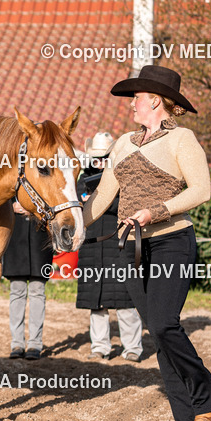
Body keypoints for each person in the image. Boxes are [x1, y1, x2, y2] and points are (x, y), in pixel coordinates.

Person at [82, 65, 211, 421]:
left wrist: (155, 211)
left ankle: (209, 403)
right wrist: (68, 223)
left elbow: (202, 190)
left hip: (171, 242)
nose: (131, 104)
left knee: (164, 324)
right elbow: (102, 197)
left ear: (156, 101)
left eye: (137, 97)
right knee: (158, 334)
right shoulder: (124, 145)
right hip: (130, 247)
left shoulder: (182, 139)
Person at [76, 132, 143, 361]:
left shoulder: (126, 178)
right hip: (92, 248)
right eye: (97, 157)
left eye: (104, 157)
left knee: (125, 301)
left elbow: (130, 206)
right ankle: (100, 347)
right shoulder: (82, 180)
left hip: (119, 244)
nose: (100, 161)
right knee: (97, 303)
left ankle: (133, 347)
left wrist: (101, 201)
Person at [3, 201, 54, 359]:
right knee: (17, 291)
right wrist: (10, 206)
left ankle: (35, 344)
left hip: (40, 239)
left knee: (37, 291)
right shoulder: (11, 175)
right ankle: (16, 343)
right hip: (15, 239)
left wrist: (36, 208)